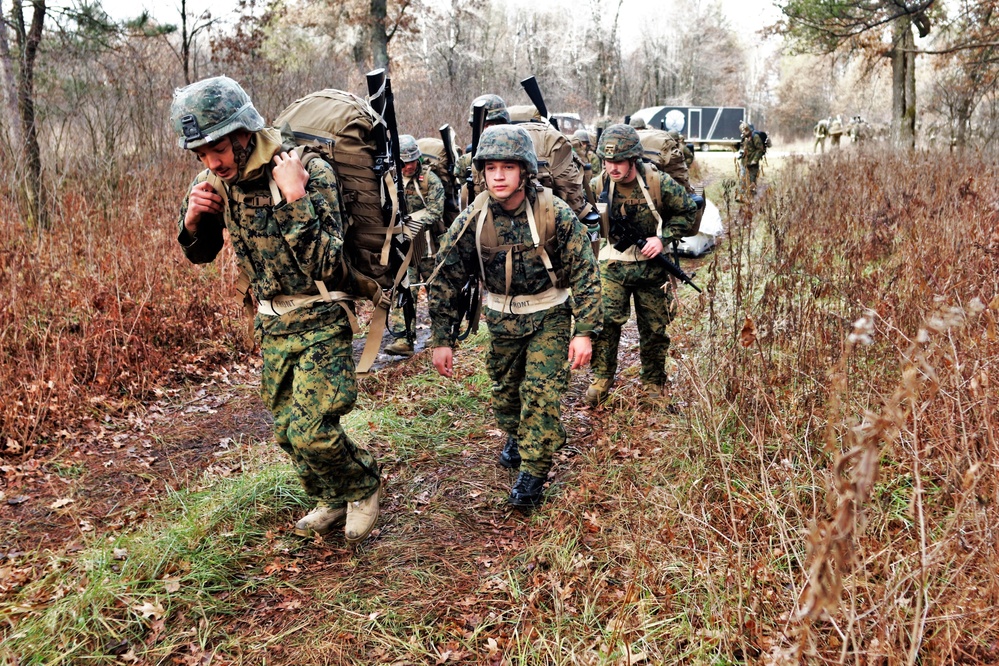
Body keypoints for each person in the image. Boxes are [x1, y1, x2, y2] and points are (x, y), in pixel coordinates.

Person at [170, 76, 382, 544]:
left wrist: (295, 198)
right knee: (287, 432)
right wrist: (191, 221)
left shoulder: (306, 170)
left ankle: (364, 485)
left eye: (217, 149)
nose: (211, 163)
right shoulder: (216, 183)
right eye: (200, 154)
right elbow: (201, 254)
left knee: (312, 430)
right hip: (271, 323)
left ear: (244, 131)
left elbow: (328, 263)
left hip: (321, 316)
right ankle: (332, 496)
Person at [429, 125, 602, 511]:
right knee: (507, 396)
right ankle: (514, 433)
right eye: (491, 168)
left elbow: (586, 275)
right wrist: (442, 339)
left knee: (540, 395)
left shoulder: (553, 212)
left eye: (508, 167)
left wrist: (584, 332)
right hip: (502, 320)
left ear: (525, 171)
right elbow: (444, 279)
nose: (499, 176)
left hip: (549, 317)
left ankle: (534, 471)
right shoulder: (472, 219)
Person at [585, 124, 697, 406]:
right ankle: (602, 378)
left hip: (651, 268)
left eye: (619, 161)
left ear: (633, 158)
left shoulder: (658, 182)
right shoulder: (599, 185)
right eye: (608, 161)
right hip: (613, 266)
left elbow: (687, 211)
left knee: (654, 328)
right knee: (606, 322)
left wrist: (662, 238)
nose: (612, 167)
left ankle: (653, 385)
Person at [383, 134, 446, 357]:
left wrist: (410, 223)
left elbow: (436, 211)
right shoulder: (391, 180)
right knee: (404, 290)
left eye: (412, 161)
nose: (409, 166)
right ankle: (404, 338)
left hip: (428, 248)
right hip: (404, 248)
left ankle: (440, 336)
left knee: (435, 292)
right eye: (404, 162)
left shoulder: (430, 180)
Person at [737, 120, 765, 197]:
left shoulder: (755, 137)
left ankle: (752, 196)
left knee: (752, 180)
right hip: (744, 162)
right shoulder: (744, 138)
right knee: (743, 178)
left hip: (752, 163)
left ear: (748, 130)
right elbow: (742, 147)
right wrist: (741, 153)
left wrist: (755, 160)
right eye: (742, 131)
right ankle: (741, 195)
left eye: (744, 131)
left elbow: (760, 149)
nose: (743, 133)